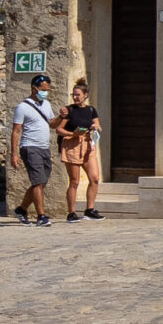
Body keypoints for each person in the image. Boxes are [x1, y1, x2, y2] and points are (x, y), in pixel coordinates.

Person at [12, 75, 58, 226]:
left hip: (44, 148)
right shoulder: (22, 107)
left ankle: (21, 209)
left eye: (47, 90)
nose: (46, 92)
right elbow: (16, 131)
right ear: (34, 89)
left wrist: (62, 117)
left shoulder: (47, 105)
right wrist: (14, 154)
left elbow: (52, 124)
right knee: (37, 183)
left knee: (41, 183)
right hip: (30, 147)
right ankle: (41, 216)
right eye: (43, 90)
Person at [60, 80, 103, 221]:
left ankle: (90, 209)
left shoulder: (91, 110)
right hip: (72, 144)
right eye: (74, 95)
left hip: (87, 145)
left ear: (86, 95)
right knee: (74, 181)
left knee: (94, 178)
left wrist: (96, 128)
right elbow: (59, 129)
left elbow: (98, 125)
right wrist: (73, 134)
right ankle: (71, 213)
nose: (75, 97)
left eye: (78, 95)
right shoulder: (69, 110)